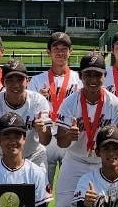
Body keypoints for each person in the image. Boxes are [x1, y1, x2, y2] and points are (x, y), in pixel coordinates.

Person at [52, 52, 118, 207]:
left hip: (102, 164)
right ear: (80, 76)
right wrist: (69, 136)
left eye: (97, 74)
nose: (93, 79)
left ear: (104, 76)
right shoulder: (70, 102)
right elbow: (61, 142)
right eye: (88, 74)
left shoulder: (114, 104)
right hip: (75, 160)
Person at [29, 31, 81, 188]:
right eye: (56, 48)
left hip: (69, 135)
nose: (60, 52)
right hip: (45, 136)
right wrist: (38, 98)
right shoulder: (37, 80)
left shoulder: (79, 80)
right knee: (43, 185)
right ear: (48, 52)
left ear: (71, 51)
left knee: (71, 185)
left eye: (64, 48)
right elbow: (29, 110)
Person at [0, 59, 53, 168]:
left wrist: (42, 130)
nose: (16, 85)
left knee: (40, 179)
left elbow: (46, 141)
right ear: (2, 82)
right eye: (10, 80)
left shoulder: (38, 101)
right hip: (0, 155)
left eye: (20, 79)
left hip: (33, 155)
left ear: (27, 80)